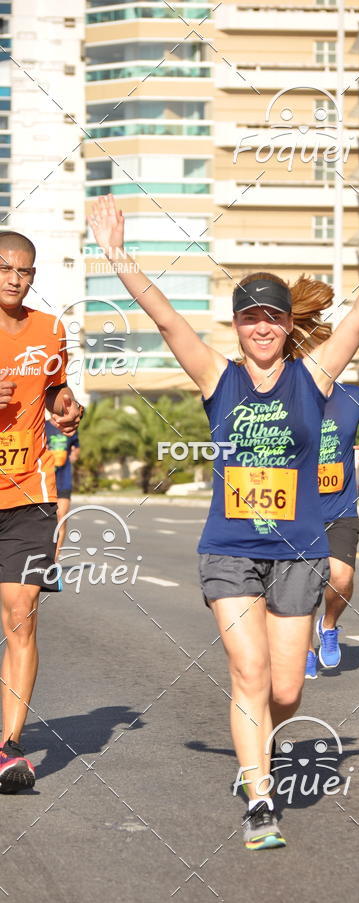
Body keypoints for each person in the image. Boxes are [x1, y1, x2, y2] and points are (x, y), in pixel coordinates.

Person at [88, 184, 359, 848]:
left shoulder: (315, 376)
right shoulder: (219, 377)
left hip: (300, 552)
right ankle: (261, 797)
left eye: (273, 316)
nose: (263, 327)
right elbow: (166, 321)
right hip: (230, 549)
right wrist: (119, 257)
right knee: (247, 672)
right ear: (238, 327)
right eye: (251, 318)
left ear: (285, 324)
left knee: (285, 686)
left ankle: (258, 748)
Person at [0, 231, 83, 793]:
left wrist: (65, 407)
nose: (14, 277)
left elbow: (55, 389)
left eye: (24, 270)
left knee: (20, 612)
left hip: (28, 492)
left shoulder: (49, 329)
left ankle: (8, 747)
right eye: (5, 267)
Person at [306, 384, 359, 677]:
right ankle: (305, 650)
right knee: (302, 588)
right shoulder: (285, 392)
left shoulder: (352, 396)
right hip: (296, 512)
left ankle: (328, 626)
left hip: (339, 509)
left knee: (342, 578)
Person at [45, 421, 80, 558]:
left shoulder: (69, 428)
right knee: (45, 519)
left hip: (63, 478)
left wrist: (74, 455)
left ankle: (55, 557)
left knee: (61, 516)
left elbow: (76, 448)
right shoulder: (44, 426)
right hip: (46, 480)